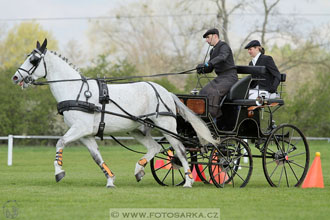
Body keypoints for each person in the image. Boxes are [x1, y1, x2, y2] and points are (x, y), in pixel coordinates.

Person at [196, 28, 238, 120]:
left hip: (230, 78)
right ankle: (202, 115)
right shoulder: (213, 51)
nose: (206, 40)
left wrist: (208, 63)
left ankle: (213, 118)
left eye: (208, 37)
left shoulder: (224, 46)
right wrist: (202, 69)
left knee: (214, 92)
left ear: (215, 36)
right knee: (203, 91)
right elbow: (210, 68)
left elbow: (222, 57)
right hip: (220, 78)